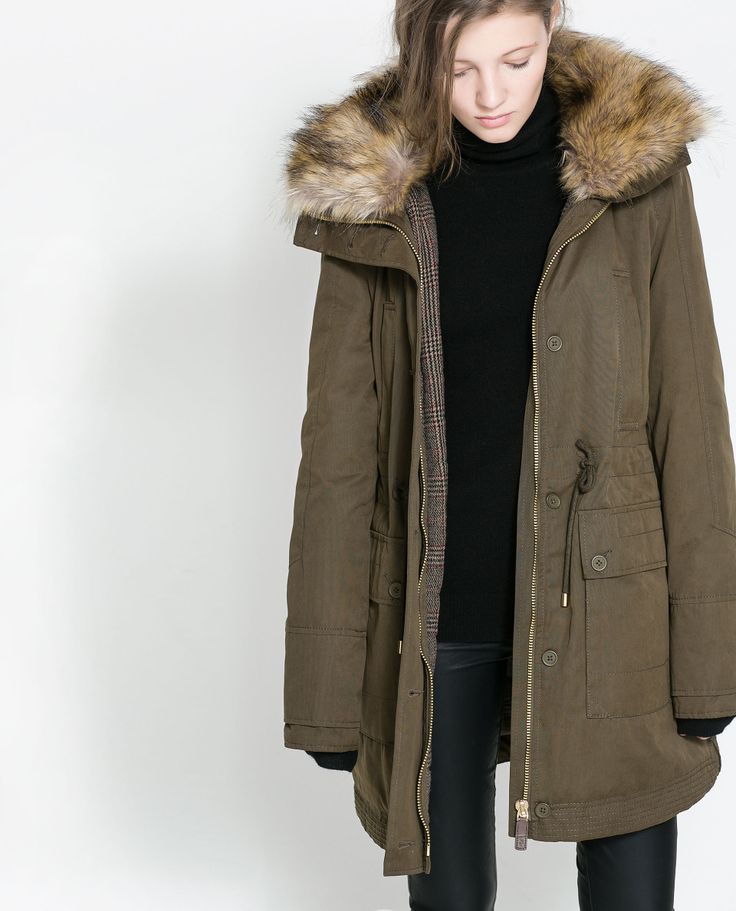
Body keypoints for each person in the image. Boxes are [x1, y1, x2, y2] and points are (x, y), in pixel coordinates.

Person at [280, 2, 736, 908]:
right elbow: (338, 455)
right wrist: (326, 690)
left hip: (610, 607)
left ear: (553, 21)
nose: (491, 95)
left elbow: (690, 416)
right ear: (420, 53)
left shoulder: (636, 176)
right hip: (434, 612)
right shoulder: (373, 197)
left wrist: (710, 655)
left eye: (516, 60)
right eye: (459, 70)